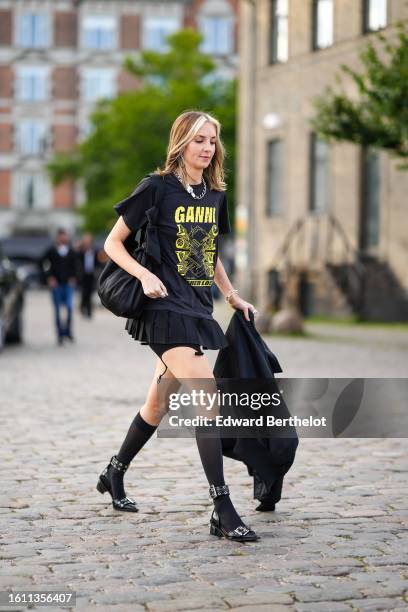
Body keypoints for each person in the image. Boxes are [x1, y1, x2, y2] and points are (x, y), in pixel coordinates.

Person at [97, 110, 260, 542]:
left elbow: (211, 254)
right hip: (161, 310)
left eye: (212, 141)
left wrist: (231, 296)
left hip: (197, 309)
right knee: (207, 394)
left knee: (158, 403)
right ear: (181, 143)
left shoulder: (213, 194)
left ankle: (114, 472)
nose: (206, 148)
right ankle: (222, 507)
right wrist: (144, 275)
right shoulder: (156, 188)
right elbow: (112, 243)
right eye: (198, 140)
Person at [42, 228, 78, 345]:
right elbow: (42, 263)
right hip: (56, 284)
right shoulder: (51, 251)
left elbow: (76, 266)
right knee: (57, 310)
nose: (63, 238)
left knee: (69, 308)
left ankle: (67, 331)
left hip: (68, 283)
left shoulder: (71, 251)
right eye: (61, 236)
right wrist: (49, 277)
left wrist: (74, 277)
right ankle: (59, 334)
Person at [77, 233, 99, 318]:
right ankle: (83, 308)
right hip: (83, 275)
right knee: (83, 293)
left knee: (90, 294)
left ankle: (89, 311)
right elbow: (76, 261)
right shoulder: (81, 252)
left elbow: (98, 262)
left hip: (91, 275)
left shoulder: (94, 251)